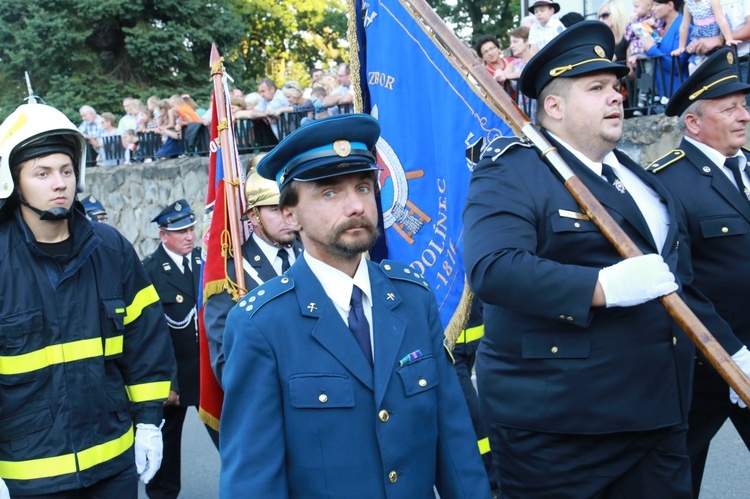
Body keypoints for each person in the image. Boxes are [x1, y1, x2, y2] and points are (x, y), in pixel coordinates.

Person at [462, 20, 733, 497]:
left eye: (615, 86)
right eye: (596, 87)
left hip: (658, 419)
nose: (616, 96)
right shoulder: (512, 171)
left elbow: (673, 285)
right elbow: (495, 267)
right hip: (562, 433)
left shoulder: (640, 177)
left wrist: (733, 353)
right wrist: (603, 288)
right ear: (554, 106)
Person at [219, 114, 490, 498]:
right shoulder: (261, 324)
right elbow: (253, 479)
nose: (355, 206)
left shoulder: (412, 297)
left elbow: (454, 440)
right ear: (290, 214)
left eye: (363, 188)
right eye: (329, 193)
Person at [0, 101, 174, 496]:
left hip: (113, 466)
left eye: (65, 170)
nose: (59, 183)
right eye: (42, 173)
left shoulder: (110, 249)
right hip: (29, 475)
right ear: (13, 182)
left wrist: (148, 423)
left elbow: (145, 341)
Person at [647, 48, 750, 497]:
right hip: (701, 366)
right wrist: (732, 354)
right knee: (677, 478)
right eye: (729, 109)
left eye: (744, 105)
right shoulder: (666, 181)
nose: (743, 116)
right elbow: (677, 281)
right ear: (693, 123)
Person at [142, 200, 220, 499]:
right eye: (180, 231)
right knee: (166, 445)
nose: (189, 236)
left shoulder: (204, 262)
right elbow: (151, 335)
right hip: (172, 375)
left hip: (205, 371)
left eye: (190, 229)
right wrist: (167, 383)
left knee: (229, 436)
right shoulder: (150, 270)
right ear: (164, 236)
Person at [204, 155, 303, 386]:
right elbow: (224, 358)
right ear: (253, 216)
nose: (287, 218)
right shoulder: (232, 274)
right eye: (274, 210)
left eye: (289, 208)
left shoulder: (313, 255)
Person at [642, 0, 690, 102]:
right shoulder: (660, 27)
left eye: (656, 5)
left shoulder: (683, 27)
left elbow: (677, 65)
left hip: (680, 95)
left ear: (670, 5)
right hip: (665, 96)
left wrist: (652, 49)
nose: (652, 8)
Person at [672, 0, 736, 72]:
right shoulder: (688, 4)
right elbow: (684, 26)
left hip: (714, 32)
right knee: (694, 65)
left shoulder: (712, 1)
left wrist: (728, 39)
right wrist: (681, 47)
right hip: (700, 35)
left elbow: (720, 19)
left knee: (717, 60)